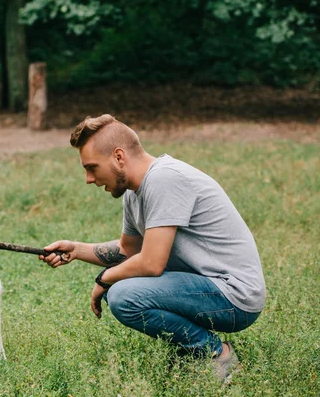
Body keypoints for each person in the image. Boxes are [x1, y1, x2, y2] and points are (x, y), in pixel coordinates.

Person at [39, 114, 265, 382]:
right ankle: (193, 351)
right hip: (208, 287)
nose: (89, 179)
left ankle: (216, 353)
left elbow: (151, 263)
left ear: (119, 157)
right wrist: (76, 249)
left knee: (123, 295)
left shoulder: (165, 179)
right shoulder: (135, 193)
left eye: (92, 167)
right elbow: (128, 250)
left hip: (234, 295)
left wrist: (105, 278)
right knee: (120, 292)